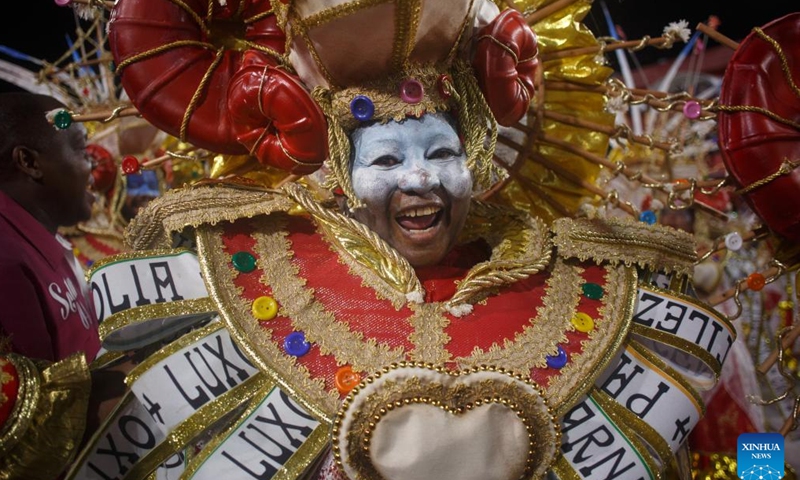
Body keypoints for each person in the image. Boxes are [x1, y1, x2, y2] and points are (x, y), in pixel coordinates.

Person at [68, 1, 729, 479]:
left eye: (441, 153)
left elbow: (721, 444)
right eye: (385, 161)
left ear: (475, 160)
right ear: (344, 177)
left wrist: (759, 472)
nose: (419, 177)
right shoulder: (244, 278)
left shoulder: (594, 288)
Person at [0, 92, 100, 362]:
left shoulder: (42, 240)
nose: (93, 167)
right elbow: (49, 397)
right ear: (30, 163)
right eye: (81, 150)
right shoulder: (7, 261)